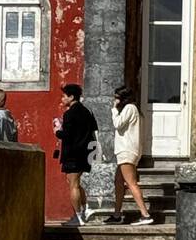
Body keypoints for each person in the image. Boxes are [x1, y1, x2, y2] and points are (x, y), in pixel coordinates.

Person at [107, 85, 153, 226]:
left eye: (116, 97)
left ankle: (145, 215)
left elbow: (118, 124)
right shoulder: (136, 111)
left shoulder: (129, 109)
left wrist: (114, 110)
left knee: (131, 183)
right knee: (118, 182)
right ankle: (117, 214)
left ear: (122, 98)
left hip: (126, 150)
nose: (115, 100)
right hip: (128, 150)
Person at [54, 83, 98, 227]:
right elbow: (94, 130)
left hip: (73, 153)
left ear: (71, 97)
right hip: (86, 152)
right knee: (75, 183)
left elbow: (67, 135)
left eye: (64, 96)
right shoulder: (87, 112)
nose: (62, 98)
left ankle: (78, 216)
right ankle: (86, 209)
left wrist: (57, 131)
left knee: (73, 185)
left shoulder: (69, 114)